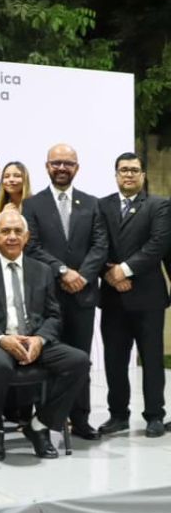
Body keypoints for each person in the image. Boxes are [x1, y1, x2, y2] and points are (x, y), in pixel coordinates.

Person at [0, 210, 90, 460]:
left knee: (78, 361)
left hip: (33, 339)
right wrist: (1, 339)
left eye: (17, 231)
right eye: (5, 232)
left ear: (27, 236)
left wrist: (39, 339)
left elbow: (54, 316)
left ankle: (39, 425)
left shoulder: (42, 270)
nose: (12, 237)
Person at [21, 144, 106, 440]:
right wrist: (62, 271)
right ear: (46, 166)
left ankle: (80, 419)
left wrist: (82, 276)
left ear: (77, 168)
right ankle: (43, 420)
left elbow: (100, 245)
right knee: (48, 359)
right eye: (56, 162)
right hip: (47, 296)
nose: (61, 168)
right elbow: (31, 247)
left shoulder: (92, 204)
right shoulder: (32, 205)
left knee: (81, 359)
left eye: (67, 163)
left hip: (82, 294)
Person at [97, 153, 170, 438]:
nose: (128, 175)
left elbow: (158, 245)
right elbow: (96, 244)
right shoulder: (101, 206)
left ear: (143, 175)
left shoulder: (159, 206)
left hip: (148, 297)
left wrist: (124, 270)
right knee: (114, 359)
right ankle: (118, 415)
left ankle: (154, 415)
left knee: (151, 359)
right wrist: (108, 273)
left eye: (134, 170)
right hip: (113, 297)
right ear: (116, 174)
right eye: (123, 170)